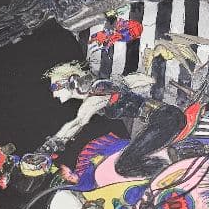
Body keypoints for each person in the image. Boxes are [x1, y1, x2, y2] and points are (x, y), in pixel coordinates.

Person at [40, 62, 187, 179]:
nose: (54, 94)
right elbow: (139, 80)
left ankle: (174, 169)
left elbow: (78, 122)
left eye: (55, 86)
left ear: (71, 82)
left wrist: (53, 143)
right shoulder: (103, 86)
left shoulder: (97, 92)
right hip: (165, 116)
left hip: (165, 119)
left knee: (124, 165)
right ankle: (174, 167)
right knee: (130, 160)